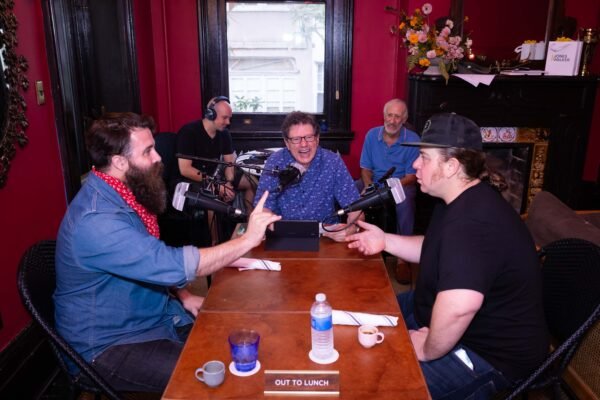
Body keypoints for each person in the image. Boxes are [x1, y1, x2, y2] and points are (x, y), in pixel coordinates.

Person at [54, 112, 280, 393]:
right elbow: (169, 263)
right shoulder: (98, 220)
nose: (159, 157)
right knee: (217, 379)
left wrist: (183, 295)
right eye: (148, 151)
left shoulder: (123, 193)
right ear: (119, 162)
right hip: (109, 344)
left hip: (157, 317)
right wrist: (247, 241)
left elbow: (149, 257)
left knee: (241, 349)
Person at [346, 113, 548, 399]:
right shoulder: (457, 200)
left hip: (487, 354)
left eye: (425, 158)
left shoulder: (473, 223)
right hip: (431, 313)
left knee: (381, 384)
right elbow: (435, 247)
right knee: (360, 316)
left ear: (452, 166)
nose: (415, 164)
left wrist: (427, 349)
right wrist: (385, 240)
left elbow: (459, 308)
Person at [253, 111, 362, 241]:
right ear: (287, 143)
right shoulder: (275, 162)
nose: (304, 144)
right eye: (296, 139)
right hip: (283, 236)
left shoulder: (333, 162)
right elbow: (263, 207)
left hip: (326, 237)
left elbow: (356, 207)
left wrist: (352, 227)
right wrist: (270, 225)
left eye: (309, 137)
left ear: (317, 139)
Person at [176, 96, 257, 242]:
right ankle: (216, 243)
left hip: (216, 176)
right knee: (212, 196)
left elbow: (229, 163)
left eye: (229, 118)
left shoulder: (224, 134)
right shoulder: (188, 132)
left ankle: (250, 225)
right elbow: (185, 169)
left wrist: (229, 183)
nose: (228, 122)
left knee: (252, 182)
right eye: (225, 118)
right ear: (210, 114)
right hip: (194, 178)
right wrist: (217, 185)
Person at [359, 98, 419, 235]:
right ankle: (356, 236)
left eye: (397, 117)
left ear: (404, 119)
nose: (392, 121)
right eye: (389, 115)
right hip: (374, 181)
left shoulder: (413, 140)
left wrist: (387, 189)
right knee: (349, 191)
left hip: (401, 184)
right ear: (384, 116)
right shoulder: (371, 135)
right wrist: (369, 187)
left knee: (405, 202)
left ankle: (403, 250)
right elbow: (365, 169)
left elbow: (411, 177)